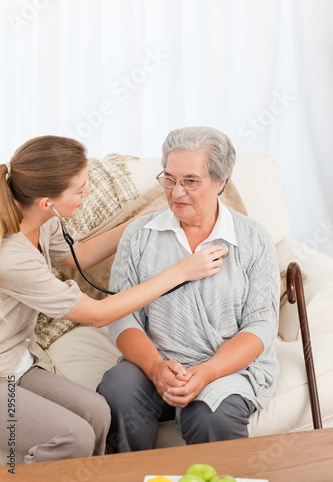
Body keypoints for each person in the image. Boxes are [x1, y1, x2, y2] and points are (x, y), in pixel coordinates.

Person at [0, 135, 224, 464]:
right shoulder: (13, 257)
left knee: (97, 413)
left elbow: (79, 256)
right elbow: (98, 314)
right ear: (47, 201)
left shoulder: (41, 221)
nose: (87, 193)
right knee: (72, 436)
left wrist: (137, 223)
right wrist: (182, 271)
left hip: (17, 363)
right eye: (79, 189)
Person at [97, 126, 281, 453]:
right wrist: (155, 368)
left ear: (221, 181)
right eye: (169, 179)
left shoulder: (254, 239)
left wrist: (207, 372)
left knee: (213, 416)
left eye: (191, 181)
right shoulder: (140, 235)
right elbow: (122, 317)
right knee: (118, 389)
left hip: (224, 368)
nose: (177, 192)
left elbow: (261, 326)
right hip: (155, 363)